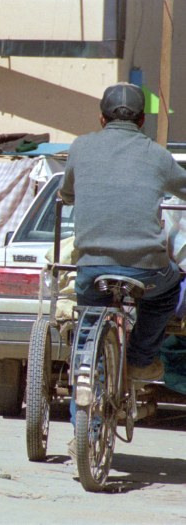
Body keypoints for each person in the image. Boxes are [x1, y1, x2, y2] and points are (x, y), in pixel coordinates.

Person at [60, 82, 186, 382]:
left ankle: (84, 370)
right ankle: (140, 361)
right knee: (167, 292)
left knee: (90, 314)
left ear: (101, 118)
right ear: (142, 120)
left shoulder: (80, 147)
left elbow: (66, 194)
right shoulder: (157, 155)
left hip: (92, 264)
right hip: (146, 268)